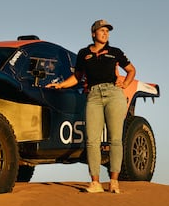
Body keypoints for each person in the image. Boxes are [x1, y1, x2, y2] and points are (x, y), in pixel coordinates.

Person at [46, 20, 136, 193]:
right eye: (102, 31)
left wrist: (125, 83)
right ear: (93, 33)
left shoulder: (115, 52)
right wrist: (60, 85)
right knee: (92, 140)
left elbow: (131, 70)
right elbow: (77, 77)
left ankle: (114, 181)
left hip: (113, 94)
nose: (105, 34)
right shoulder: (84, 53)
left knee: (115, 139)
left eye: (107, 31)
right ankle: (95, 182)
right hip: (93, 95)